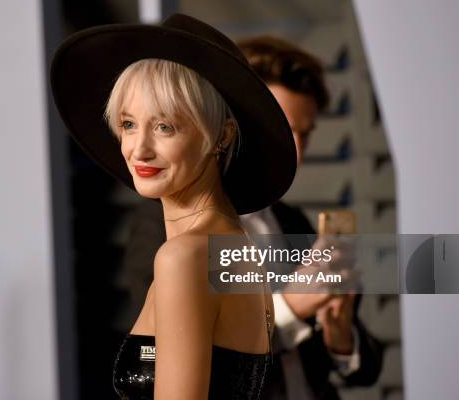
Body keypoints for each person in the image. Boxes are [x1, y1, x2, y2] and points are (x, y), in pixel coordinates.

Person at [116, 36, 382, 399]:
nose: (297, 149)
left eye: (305, 133)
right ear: (241, 122)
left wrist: (339, 333)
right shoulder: (161, 232)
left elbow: (362, 368)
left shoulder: (291, 225)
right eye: (284, 127)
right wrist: (289, 305)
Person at [51, 14, 298, 399]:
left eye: (165, 126)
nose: (139, 149)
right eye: (129, 123)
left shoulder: (187, 257)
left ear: (222, 135)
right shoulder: (230, 244)